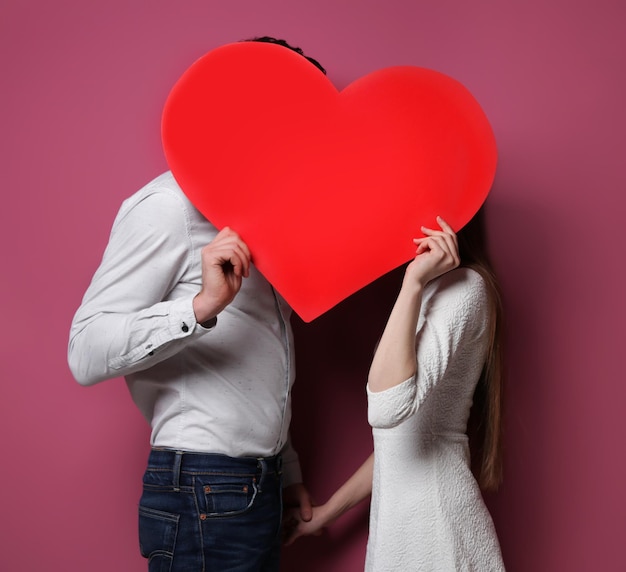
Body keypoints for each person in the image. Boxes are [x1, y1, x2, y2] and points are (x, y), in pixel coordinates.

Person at [68, 37, 325, 572]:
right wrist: (200, 306)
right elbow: (85, 351)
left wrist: (288, 467)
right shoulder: (168, 207)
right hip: (202, 491)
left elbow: (261, 354)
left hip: (257, 485)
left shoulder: (271, 212)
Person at [285, 211, 506, 570]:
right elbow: (397, 438)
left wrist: (413, 283)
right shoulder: (436, 288)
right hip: (404, 521)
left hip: (433, 524)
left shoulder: (464, 287)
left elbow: (385, 408)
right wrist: (327, 514)